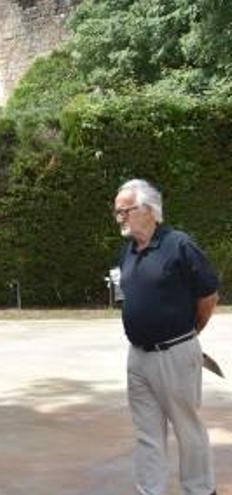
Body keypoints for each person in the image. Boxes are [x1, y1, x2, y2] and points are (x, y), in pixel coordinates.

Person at [115, 179, 219, 495]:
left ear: (149, 210)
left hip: (175, 354)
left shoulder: (179, 245)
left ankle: (200, 490)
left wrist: (188, 334)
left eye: (126, 211)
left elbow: (208, 295)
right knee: (147, 433)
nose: (120, 217)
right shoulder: (127, 251)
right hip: (138, 357)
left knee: (188, 429)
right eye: (117, 212)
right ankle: (150, 490)